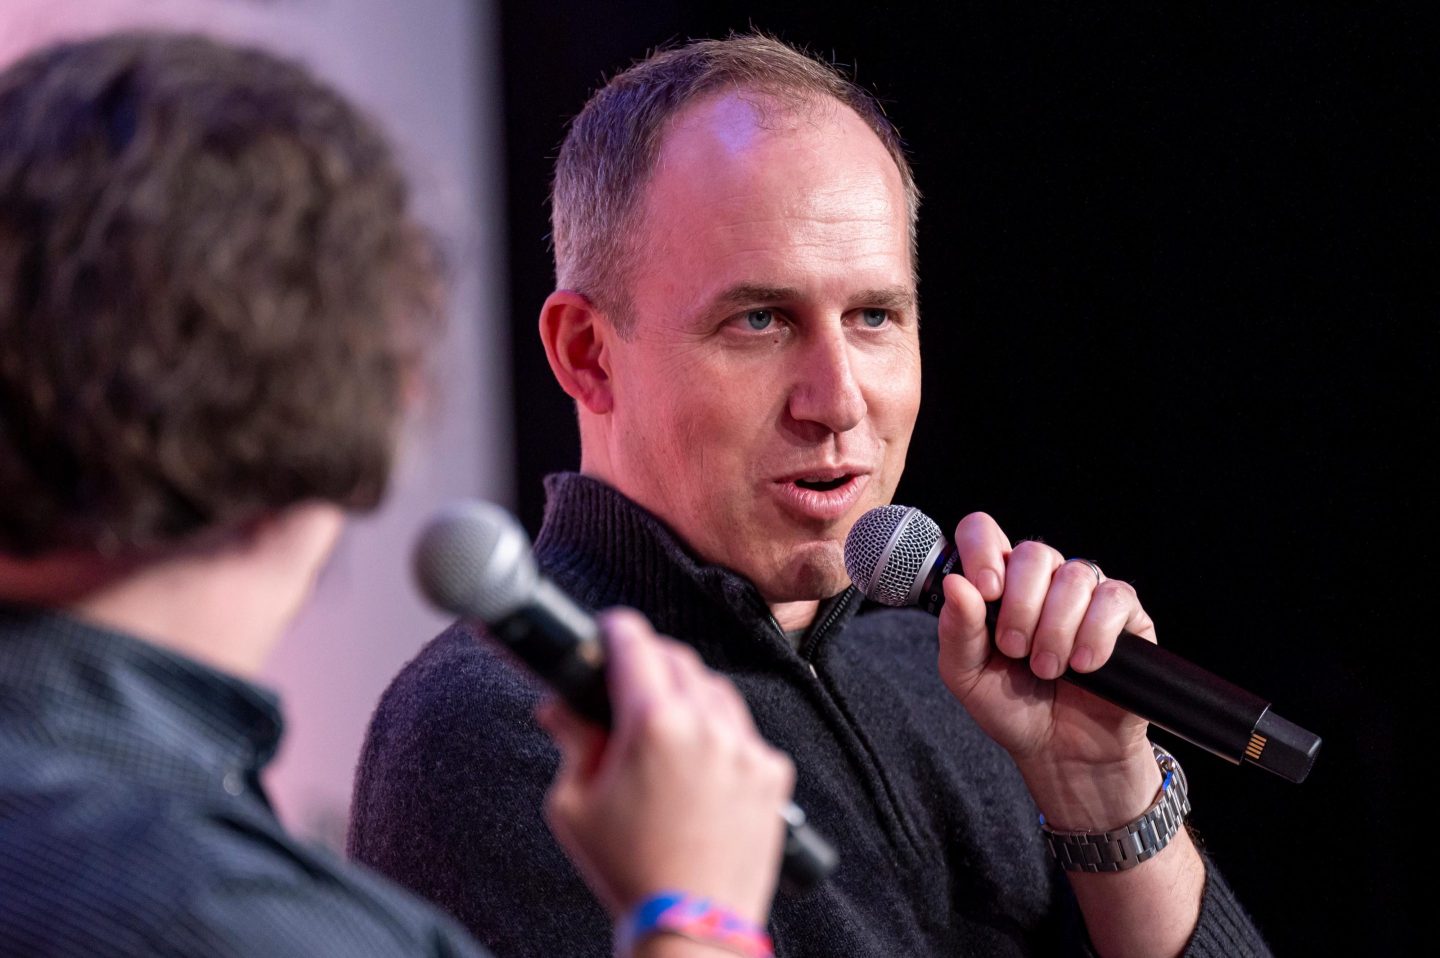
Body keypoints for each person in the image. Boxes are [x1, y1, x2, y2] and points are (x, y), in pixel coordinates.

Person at [349, 34, 1273, 958]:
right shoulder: (510, 724)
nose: (836, 401)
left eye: (874, 316)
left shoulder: (961, 680)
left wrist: (1108, 800)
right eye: (759, 320)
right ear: (587, 354)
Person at [0, 32, 795, 958]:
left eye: (876, 316)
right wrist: (698, 921)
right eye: (760, 320)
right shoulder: (251, 924)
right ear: (371, 400)